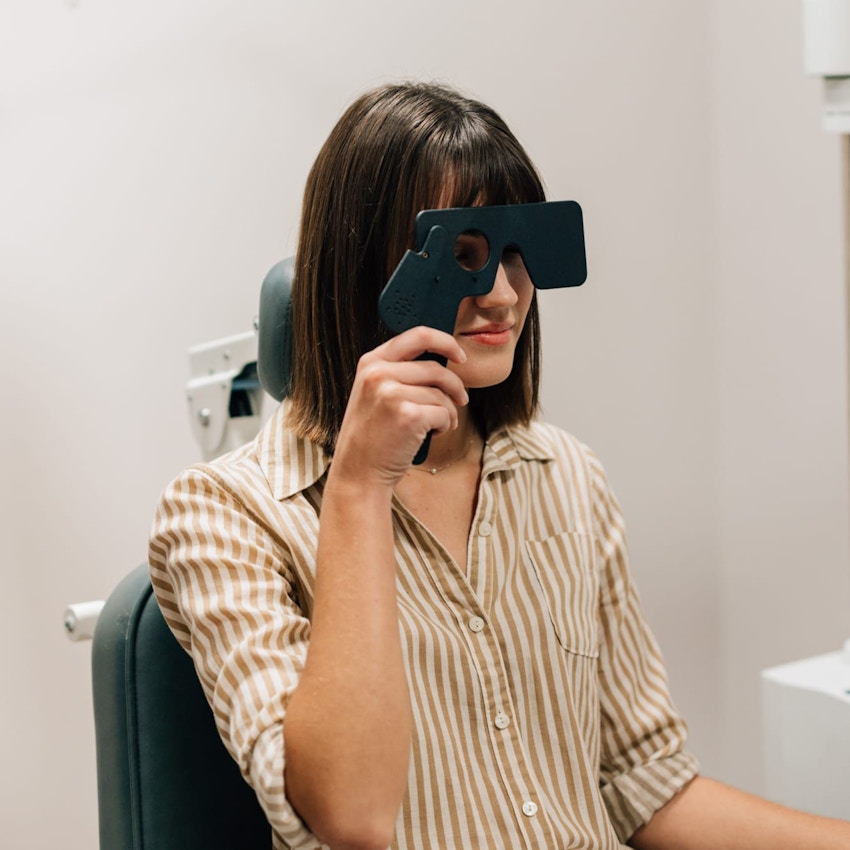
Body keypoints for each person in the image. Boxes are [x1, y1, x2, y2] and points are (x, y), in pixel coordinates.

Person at [149, 82, 850, 850]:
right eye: (464, 258)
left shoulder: (565, 474)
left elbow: (643, 785)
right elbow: (350, 818)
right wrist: (358, 488)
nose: (505, 295)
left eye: (517, 255)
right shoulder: (220, 514)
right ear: (361, 269)